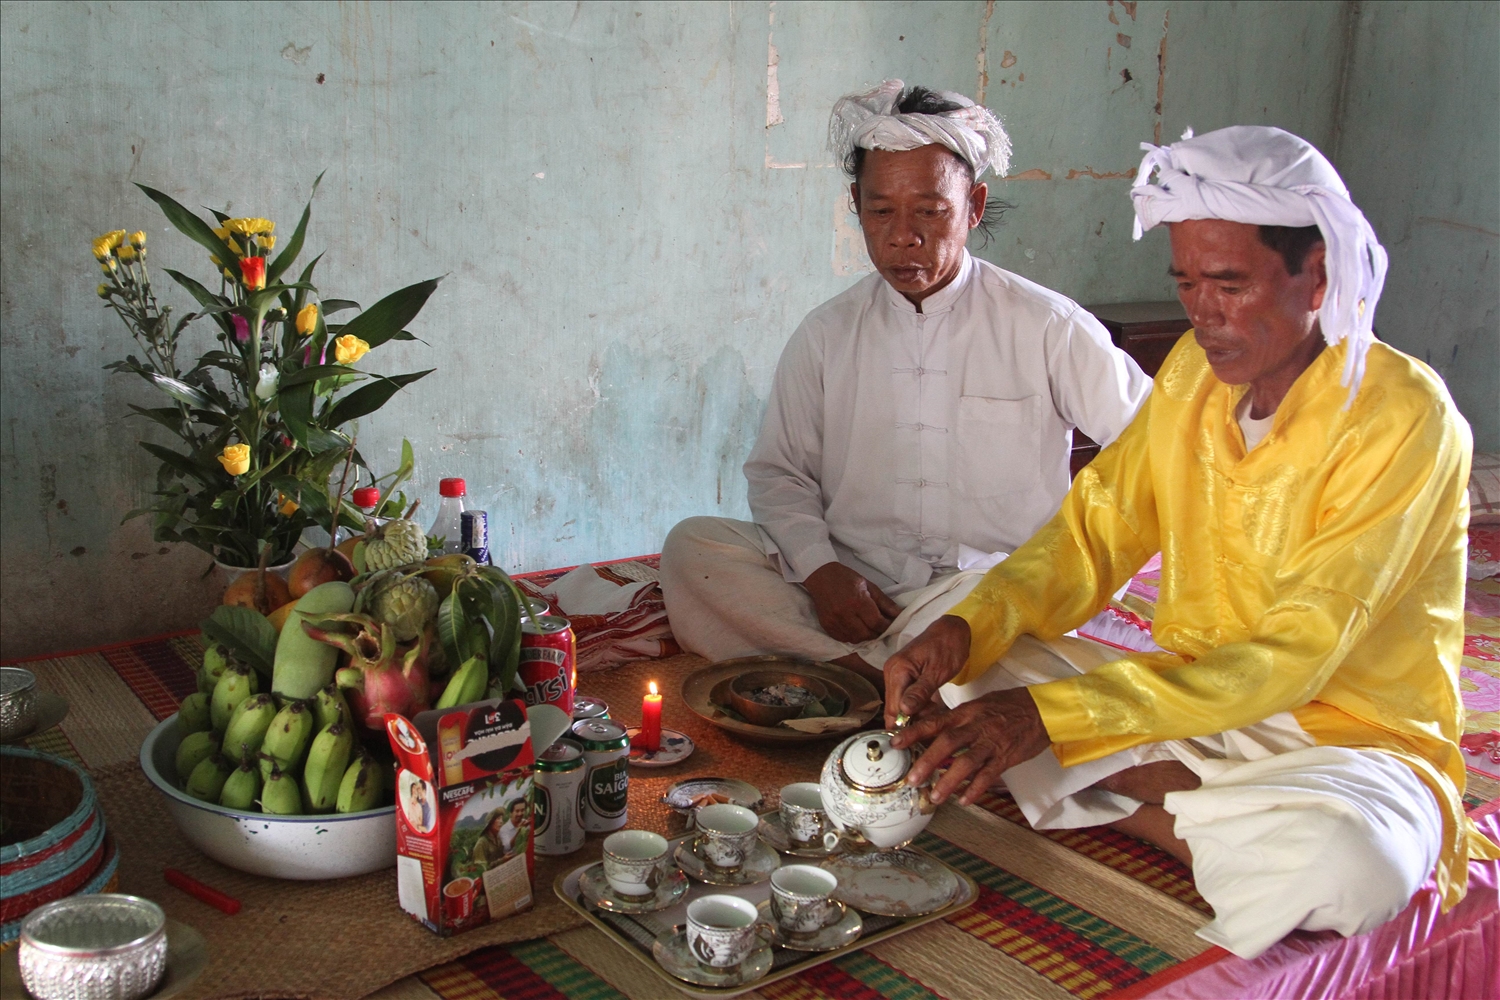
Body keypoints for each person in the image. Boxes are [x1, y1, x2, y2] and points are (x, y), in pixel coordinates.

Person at [882, 125, 1500, 959]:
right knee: (969, 655)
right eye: (1185, 283)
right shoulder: (1189, 377)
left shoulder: (1404, 418)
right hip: (1187, 703)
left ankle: (1147, 806)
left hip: (1345, 740)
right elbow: (1087, 538)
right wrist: (968, 630)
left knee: (1348, 865)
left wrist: (1056, 719)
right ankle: (1198, 811)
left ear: (1315, 274)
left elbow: (1298, 652)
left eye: (1229, 284)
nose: (1202, 314)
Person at [661, 81, 1150, 683]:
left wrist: (1072, 571)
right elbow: (778, 472)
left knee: (991, 626)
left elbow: (1150, 452)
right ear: (855, 205)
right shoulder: (827, 334)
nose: (902, 236)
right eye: (880, 210)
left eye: (929, 209)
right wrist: (820, 571)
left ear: (973, 206)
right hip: (855, 587)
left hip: (983, 589)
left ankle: (855, 676)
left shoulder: (1048, 326)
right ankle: (882, 675)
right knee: (696, 549)